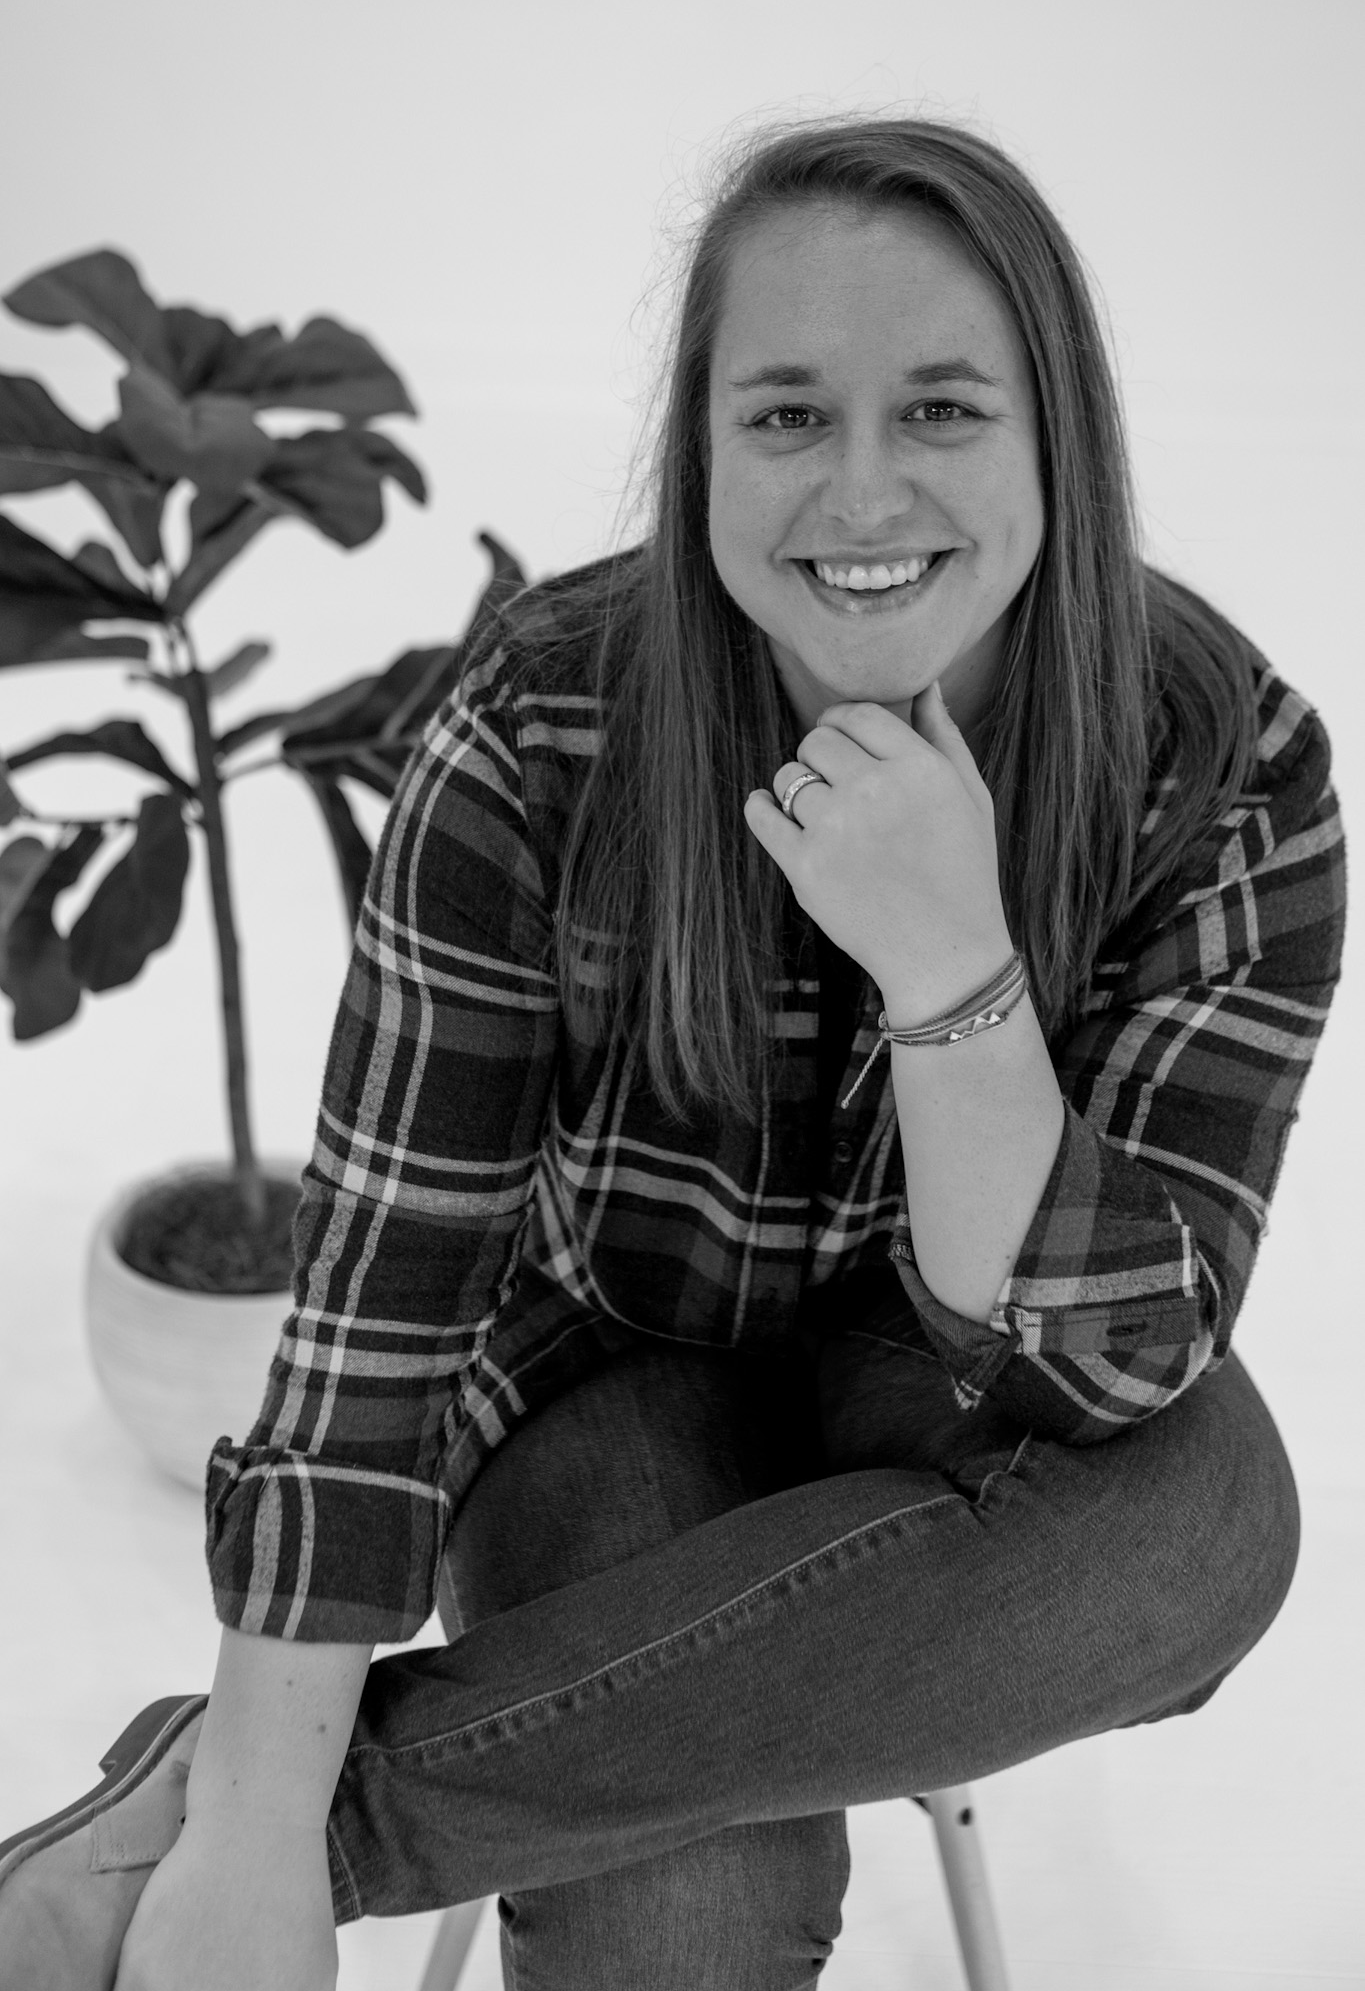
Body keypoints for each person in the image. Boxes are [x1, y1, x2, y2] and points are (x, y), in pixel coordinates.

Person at [0, 113, 1346, 1991]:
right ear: (699, 447)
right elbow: (380, 1309)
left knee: (1205, 1528)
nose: (860, 495)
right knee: (678, 1917)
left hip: (971, 1396)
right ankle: (268, 1804)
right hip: (604, 1366)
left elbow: (1112, 1365)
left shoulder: (1224, 765)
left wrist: (949, 968)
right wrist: (250, 1840)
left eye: (941, 409)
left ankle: (238, 1814)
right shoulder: (540, 723)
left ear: (1058, 436)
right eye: (786, 415)